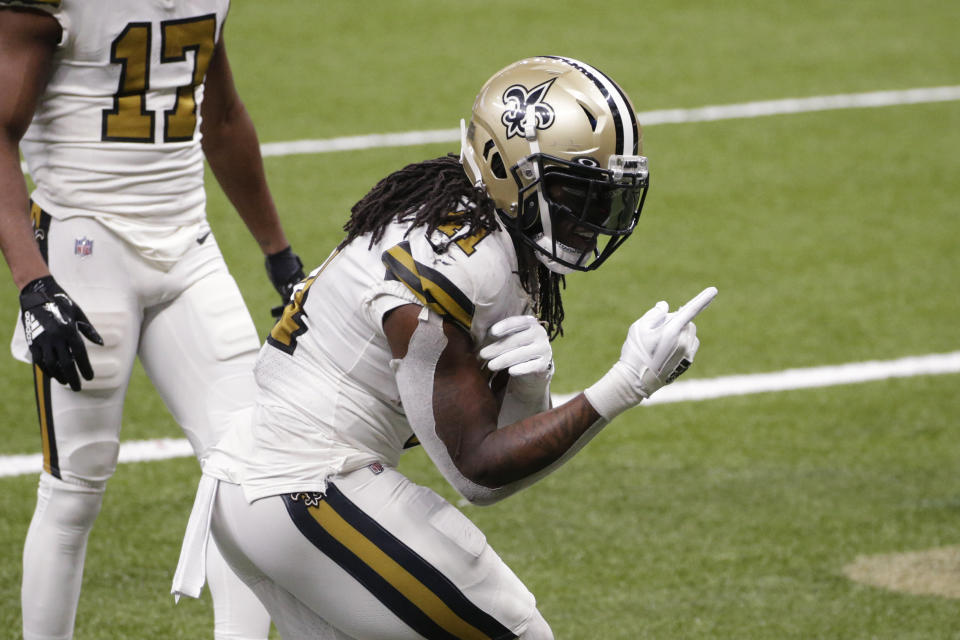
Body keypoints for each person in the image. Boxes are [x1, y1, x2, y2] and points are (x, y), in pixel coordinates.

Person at [172, 55, 717, 639]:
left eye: (603, 195)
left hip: (264, 492)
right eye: (571, 191)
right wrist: (626, 384)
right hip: (304, 488)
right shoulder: (458, 262)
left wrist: (530, 382)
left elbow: (509, 441)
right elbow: (480, 472)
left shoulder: (478, 229)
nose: (591, 216)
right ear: (502, 166)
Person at [0, 1, 306, 638]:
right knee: (77, 483)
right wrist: (33, 280)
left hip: (188, 245)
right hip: (85, 246)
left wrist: (279, 256)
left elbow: (220, 118)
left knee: (248, 471)